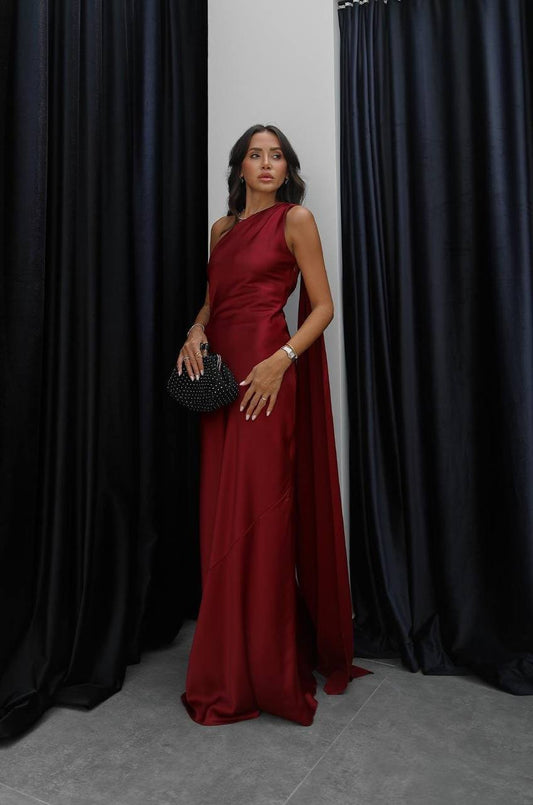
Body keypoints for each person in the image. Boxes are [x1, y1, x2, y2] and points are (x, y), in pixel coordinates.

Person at [176, 124, 371, 727]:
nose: (266, 163)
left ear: (286, 169)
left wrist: (281, 362)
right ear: (238, 169)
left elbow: (323, 307)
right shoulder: (221, 230)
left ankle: (264, 668)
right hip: (221, 376)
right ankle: (227, 661)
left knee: (258, 516)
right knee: (219, 517)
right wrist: (196, 328)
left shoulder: (296, 221)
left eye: (276, 155)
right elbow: (217, 295)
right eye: (255, 155)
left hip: (266, 377)